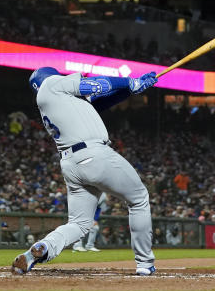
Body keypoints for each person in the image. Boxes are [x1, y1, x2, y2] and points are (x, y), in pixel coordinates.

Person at [12, 67, 158, 276]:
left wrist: (130, 90)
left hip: (71, 164)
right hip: (94, 154)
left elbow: (97, 104)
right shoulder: (52, 83)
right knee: (139, 198)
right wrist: (129, 82)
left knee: (79, 224)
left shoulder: (55, 101)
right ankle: (144, 263)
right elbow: (97, 85)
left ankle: (44, 247)